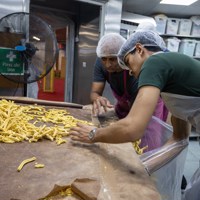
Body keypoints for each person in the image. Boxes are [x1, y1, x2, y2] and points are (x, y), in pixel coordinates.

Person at [69, 30, 200, 146]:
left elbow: (133, 128)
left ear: (139, 49)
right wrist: (149, 164)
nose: (129, 72)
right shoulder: (173, 71)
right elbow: (180, 137)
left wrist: (94, 134)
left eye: (127, 62)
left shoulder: (154, 62)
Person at [81, 32, 169, 152]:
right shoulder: (100, 63)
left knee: (144, 146)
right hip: (125, 107)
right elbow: (95, 92)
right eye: (104, 59)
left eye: (112, 59)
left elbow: (135, 125)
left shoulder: (134, 72)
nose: (108, 64)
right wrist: (97, 98)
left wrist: (97, 134)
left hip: (147, 107)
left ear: (122, 56)